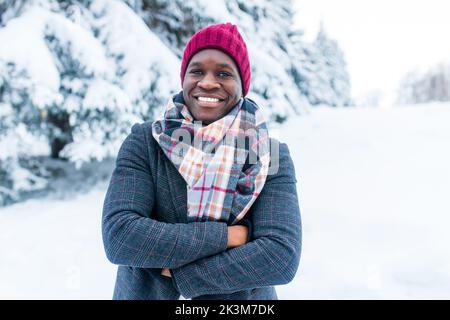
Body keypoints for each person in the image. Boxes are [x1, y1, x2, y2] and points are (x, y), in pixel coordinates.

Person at [102, 22, 302, 300]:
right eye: (197, 71)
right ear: (183, 78)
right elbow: (121, 236)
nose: (208, 82)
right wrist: (228, 237)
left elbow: (280, 255)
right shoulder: (146, 141)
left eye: (223, 73)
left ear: (242, 85)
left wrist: (183, 276)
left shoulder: (268, 153)